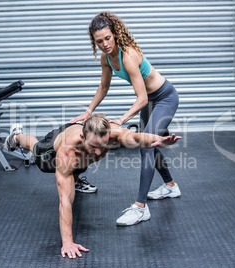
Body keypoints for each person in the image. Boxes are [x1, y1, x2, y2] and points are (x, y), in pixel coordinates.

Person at [5, 114, 180, 259]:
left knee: (83, 161)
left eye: (103, 146)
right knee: (37, 150)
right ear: (83, 137)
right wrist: (68, 241)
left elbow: (135, 137)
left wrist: (159, 140)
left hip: (81, 145)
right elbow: (65, 200)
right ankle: (17, 136)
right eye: (94, 146)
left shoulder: (110, 133)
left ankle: (78, 178)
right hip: (52, 148)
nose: (99, 152)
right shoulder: (67, 152)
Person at [70, 12, 181, 226]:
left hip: (164, 98)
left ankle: (140, 208)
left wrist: (120, 120)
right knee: (149, 142)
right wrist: (88, 111)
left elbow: (142, 98)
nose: (104, 44)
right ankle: (170, 186)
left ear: (115, 34)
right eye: (99, 41)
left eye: (108, 38)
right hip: (150, 101)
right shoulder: (106, 58)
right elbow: (104, 87)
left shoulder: (127, 54)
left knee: (145, 147)